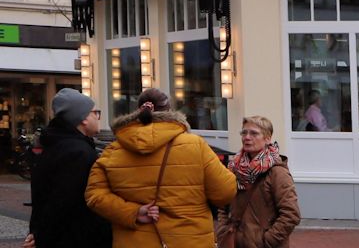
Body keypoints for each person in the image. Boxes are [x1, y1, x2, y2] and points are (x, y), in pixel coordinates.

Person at [86, 86, 237, 248]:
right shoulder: (195, 145)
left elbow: (94, 195)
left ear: (138, 111)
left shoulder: (113, 150)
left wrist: (132, 212)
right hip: (190, 240)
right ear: (170, 111)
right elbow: (225, 192)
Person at [27, 88, 111, 248]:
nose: (98, 117)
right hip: (76, 238)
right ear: (84, 118)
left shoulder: (54, 145)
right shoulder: (78, 152)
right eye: (95, 112)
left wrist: (38, 232)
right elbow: (65, 201)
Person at [215, 115, 300, 248]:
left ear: (267, 139)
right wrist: (223, 231)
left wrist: (266, 241)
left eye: (254, 133)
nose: (247, 137)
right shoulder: (234, 168)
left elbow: (291, 214)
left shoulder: (277, 172)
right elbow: (223, 205)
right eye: (244, 132)